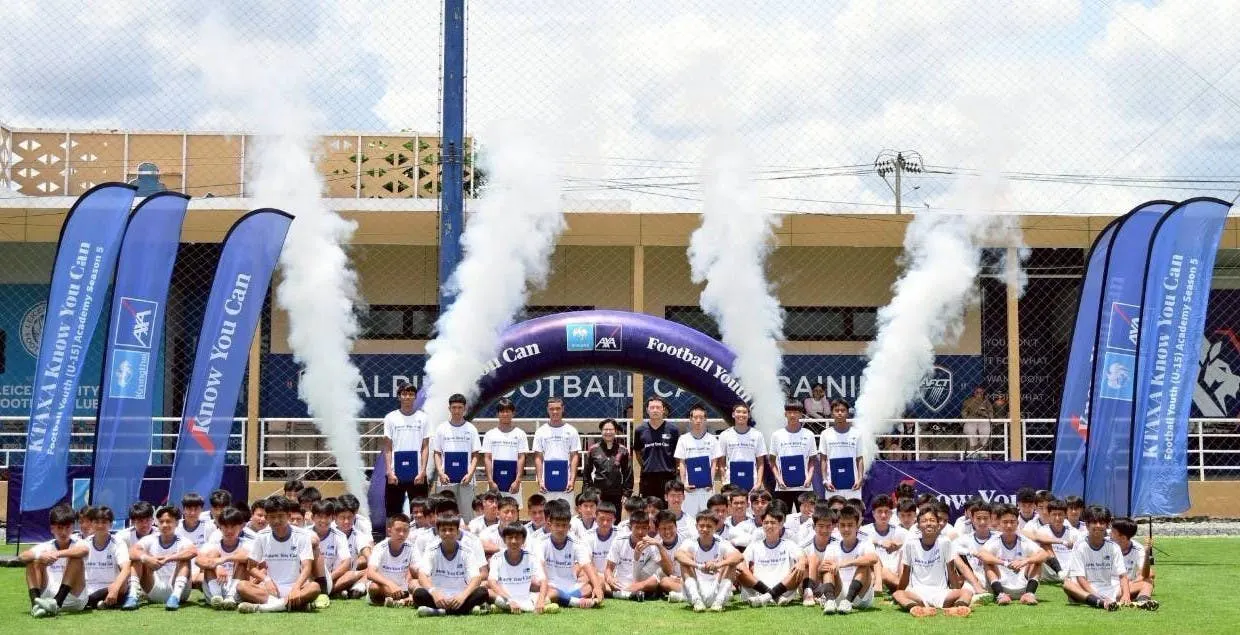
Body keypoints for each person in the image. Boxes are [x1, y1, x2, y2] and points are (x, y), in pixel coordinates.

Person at [237, 496, 320, 613]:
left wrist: (296, 587)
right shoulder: (261, 536)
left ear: (288, 516)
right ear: (267, 518)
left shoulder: (302, 535)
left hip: (295, 587)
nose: (276, 521)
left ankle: (265, 608)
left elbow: (307, 567)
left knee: (314, 587)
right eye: (272, 517)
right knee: (241, 586)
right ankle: (289, 605)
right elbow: (251, 567)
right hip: (270, 589)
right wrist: (266, 580)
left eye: (280, 516)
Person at [892, 505, 974, 617]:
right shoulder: (910, 544)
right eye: (924, 521)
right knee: (898, 594)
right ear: (918, 525)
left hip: (941, 593)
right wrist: (899, 594)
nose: (929, 523)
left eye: (932, 520)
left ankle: (958, 607)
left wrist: (957, 593)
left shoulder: (945, 542)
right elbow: (906, 573)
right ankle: (916, 608)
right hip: (917, 594)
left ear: (938, 525)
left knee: (967, 592)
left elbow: (951, 571)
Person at [413, 514, 489, 616]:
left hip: (460, 596)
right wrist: (434, 593)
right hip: (439, 597)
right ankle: (464, 610)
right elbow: (422, 575)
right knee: (418, 594)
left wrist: (463, 596)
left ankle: (439, 612)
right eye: (443, 530)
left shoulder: (467, 551)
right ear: (438, 532)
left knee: (482, 592)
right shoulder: (431, 550)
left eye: (451, 529)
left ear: (457, 532)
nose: (447, 533)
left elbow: (476, 578)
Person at [23, 504, 89, 617]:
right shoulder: (46, 546)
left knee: (76, 558)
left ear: (73, 527)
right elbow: (22, 556)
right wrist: (40, 556)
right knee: (32, 560)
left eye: (67, 527)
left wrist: (56, 554)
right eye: (59, 527)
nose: (64, 532)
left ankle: (57, 602)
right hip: (47, 597)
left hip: (75, 599)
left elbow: (84, 550)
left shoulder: (80, 543)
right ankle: (36, 605)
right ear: (52, 528)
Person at [978, 504, 1048, 606]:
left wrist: (1025, 561)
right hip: (1002, 586)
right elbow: (982, 554)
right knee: (988, 562)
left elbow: (1044, 554)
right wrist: (1005, 563)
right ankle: (1000, 595)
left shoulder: (1023, 540)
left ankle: (1029, 594)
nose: (1009, 526)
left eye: (1012, 522)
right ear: (999, 523)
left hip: (1023, 587)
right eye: (1005, 522)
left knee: (1037, 561)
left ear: (1017, 523)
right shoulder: (994, 540)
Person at [537, 502, 603, 609]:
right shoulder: (541, 543)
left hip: (571, 586)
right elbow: (540, 569)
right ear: (549, 525)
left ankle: (559, 598)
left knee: (596, 583)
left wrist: (597, 587)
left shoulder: (576, 543)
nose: (560, 529)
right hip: (550, 586)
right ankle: (576, 602)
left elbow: (587, 565)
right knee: (538, 585)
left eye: (564, 525)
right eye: (557, 525)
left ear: (569, 527)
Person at [1063, 505, 1129, 611]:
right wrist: (1098, 596)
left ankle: (1143, 599)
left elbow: (1122, 576)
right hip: (1086, 590)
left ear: (1107, 525)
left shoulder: (1114, 547)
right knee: (1068, 585)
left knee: (1145, 584)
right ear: (1087, 525)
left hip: (1109, 589)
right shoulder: (1079, 546)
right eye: (1094, 522)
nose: (1098, 526)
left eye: (1102, 523)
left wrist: (1126, 595)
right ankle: (1099, 602)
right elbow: (1080, 578)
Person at [737, 508, 805, 607]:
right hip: (759, 590)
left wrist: (801, 562)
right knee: (739, 568)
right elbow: (741, 561)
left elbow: (802, 556)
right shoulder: (754, 545)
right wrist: (741, 565)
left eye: (773, 523)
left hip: (784, 590)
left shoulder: (789, 544)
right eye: (766, 523)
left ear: (780, 525)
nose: (769, 526)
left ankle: (768, 596)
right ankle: (773, 596)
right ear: (762, 524)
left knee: (799, 567)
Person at [675, 511, 742, 612]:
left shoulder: (721, 542)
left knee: (731, 562)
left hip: (717, 590)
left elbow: (739, 556)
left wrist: (717, 565)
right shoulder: (690, 541)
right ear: (696, 526)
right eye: (701, 526)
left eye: (709, 526)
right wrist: (699, 566)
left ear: (715, 527)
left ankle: (718, 602)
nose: (705, 529)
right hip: (696, 590)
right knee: (685, 561)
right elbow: (677, 555)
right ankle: (697, 601)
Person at [383, 382, 432, 520]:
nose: (407, 397)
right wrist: (389, 471)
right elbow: (388, 447)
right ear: (399, 396)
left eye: (411, 394)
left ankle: (419, 533)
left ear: (415, 397)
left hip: (417, 474)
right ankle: (392, 534)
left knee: (421, 512)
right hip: (395, 474)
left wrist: (423, 471)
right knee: (393, 513)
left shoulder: (423, 418)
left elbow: (425, 446)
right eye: (404, 394)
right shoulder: (390, 417)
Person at [819, 505, 877, 614]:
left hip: (861, 596)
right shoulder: (832, 546)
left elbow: (873, 559)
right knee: (828, 567)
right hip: (839, 592)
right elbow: (824, 570)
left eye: (850, 525)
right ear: (838, 526)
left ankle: (848, 601)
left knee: (864, 564)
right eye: (842, 525)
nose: (846, 529)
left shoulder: (865, 543)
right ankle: (830, 601)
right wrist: (821, 569)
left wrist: (843, 563)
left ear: (857, 526)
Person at [432, 393, 482, 521]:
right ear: (449, 409)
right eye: (454, 407)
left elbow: (476, 455)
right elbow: (437, 453)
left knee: (468, 513)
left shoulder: (471, 429)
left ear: (465, 409)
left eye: (460, 408)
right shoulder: (441, 428)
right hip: (445, 479)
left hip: (467, 479)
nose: (457, 411)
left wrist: (470, 474)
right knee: (445, 512)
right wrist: (441, 473)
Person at [605, 509, 667, 602]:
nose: (640, 532)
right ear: (631, 527)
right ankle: (630, 594)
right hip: (619, 584)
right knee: (600, 579)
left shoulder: (652, 545)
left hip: (640, 584)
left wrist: (659, 546)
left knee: (654, 581)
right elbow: (608, 568)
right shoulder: (619, 540)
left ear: (648, 528)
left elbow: (663, 570)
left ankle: (621, 594)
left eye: (644, 528)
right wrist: (610, 578)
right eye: (637, 527)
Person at [196, 506, 250, 610]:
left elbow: (247, 557)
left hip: (236, 589)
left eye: (233, 526)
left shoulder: (246, 544)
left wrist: (224, 559)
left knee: (241, 558)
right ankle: (217, 597)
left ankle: (231, 597)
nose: (229, 530)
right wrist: (217, 566)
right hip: (215, 587)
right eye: (225, 526)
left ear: (241, 526)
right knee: (212, 555)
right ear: (220, 526)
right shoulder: (212, 544)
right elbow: (198, 560)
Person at [769, 400, 817, 511]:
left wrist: (809, 478)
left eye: (795, 412)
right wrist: (779, 479)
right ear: (785, 414)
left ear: (801, 414)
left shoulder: (809, 434)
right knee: (781, 517)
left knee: (807, 516)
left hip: (804, 486)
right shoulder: (777, 435)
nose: (792, 415)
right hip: (783, 487)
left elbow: (812, 460)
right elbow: (772, 460)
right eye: (789, 412)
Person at [488, 522, 546, 614]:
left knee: (552, 592)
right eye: (510, 537)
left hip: (526, 598)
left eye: (517, 538)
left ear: (523, 540)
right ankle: (520, 607)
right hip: (505, 599)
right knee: (487, 592)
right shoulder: (496, 558)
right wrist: (509, 600)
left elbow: (543, 580)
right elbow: (492, 582)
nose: (513, 541)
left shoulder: (532, 557)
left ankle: (503, 607)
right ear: (504, 540)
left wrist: (541, 600)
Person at [674, 403, 720, 518]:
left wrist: (711, 481)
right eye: (695, 417)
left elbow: (714, 463)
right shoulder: (683, 439)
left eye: (701, 417)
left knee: (708, 518)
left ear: (705, 419)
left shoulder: (712, 439)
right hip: (690, 488)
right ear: (690, 419)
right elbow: (682, 463)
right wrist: (684, 483)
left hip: (707, 488)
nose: (698, 421)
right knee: (689, 519)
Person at [533, 397, 582, 507]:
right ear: (547, 410)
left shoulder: (572, 431)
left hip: (566, 482)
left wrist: (572, 480)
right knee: (546, 512)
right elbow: (538, 457)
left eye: (558, 408)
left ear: (563, 409)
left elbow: (574, 456)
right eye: (552, 409)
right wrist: (540, 480)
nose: (555, 412)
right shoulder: (540, 431)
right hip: (546, 482)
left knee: (566, 512)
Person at [366, 512, 418, 607]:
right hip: (384, 587)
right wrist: (390, 584)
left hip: (402, 589)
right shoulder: (380, 547)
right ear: (389, 531)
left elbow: (419, 571)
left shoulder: (412, 548)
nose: (402, 534)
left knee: (416, 583)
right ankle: (400, 601)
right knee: (374, 587)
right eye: (398, 530)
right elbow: (370, 573)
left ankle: (399, 600)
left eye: (405, 530)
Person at [633, 397, 680, 499]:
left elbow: (678, 453)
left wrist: (674, 469)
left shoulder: (673, 430)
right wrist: (645, 465)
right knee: (649, 506)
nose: (655, 410)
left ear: (663, 410)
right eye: (652, 407)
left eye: (658, 407)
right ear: (647, 410)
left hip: (668, 476)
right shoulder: (640, 430)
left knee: (667, 506)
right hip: (648, 476)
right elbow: (637, 452)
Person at [483, 397, 529, 500]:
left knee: (513, 508)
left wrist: (517, 481)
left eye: (508, 411)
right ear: (497, 414)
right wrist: (490, 481)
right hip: (494, 484)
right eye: (502, 411)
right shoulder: (490, 434)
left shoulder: (520, 434)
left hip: (513, 484)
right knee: (494, 508)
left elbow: (521, 458)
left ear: (513, 413)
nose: (505, 414)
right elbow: (487, 458)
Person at [583, 418, 633, 512]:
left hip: (616, 494)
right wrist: (588, 492)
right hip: (598, 494)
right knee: (599, 518)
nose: (608, 432)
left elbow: (628, 473)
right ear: (601, 431)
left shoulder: (623, 450)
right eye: (605, 429)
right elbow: (586, 473)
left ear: (615, 431)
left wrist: (626, 493)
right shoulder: (593, 449)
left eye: (611, 429)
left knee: (615, 518)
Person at [860, 494, 906, 594]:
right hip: (874, 572)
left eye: (886, 511)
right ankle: (903, 589)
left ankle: (900, 587)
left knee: (905, 551)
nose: (883, 515)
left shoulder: (901, 532)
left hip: (895, 573)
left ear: (891, 513)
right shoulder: (864, 531)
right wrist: (880, 542)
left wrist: (900, 545)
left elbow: (915, 542)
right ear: (873, 513)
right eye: (880, 511)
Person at [716, 404, 767, 493]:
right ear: (733, 414)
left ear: (749, 415)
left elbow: (760, 462)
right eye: (738, 412)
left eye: (744, 412)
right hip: (731, 482)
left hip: (752, 482)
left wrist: (758, 483)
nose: (741, 415)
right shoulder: (725, 435)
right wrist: (724, 481)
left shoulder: (757, 435)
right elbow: (721, 462)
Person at [819, 399, 864, 500]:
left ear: (847, 413)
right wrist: (825, 480)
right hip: (832, 484)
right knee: (834, 510)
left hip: (853, 484)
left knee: (853, 510)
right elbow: (823, 459)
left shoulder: (857, 434)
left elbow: (859, 458)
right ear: (832, 413)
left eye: (843, 410)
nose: (839, 413)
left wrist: (860, 479)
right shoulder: (825, 434)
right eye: (836, 410)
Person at [1111, 517, 1158, 611]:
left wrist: (1147, 554)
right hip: (1106, 587)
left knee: (1149, 581)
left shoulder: (1138, 549)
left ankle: (1142, 602)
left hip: (1126, 587)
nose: (1109, 533)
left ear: (1123, 538)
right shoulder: (1106, 545)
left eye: (1112, 532)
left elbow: (1149, 573)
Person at [960, 386, 994, 458]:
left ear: (983, 393)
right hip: (971, 419)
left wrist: (985, 414)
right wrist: (967, 418)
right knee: (970, 430)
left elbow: (991, 413)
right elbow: (964, 412)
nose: (979, 394)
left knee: (985, 431)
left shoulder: (986, 402)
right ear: (974, 393)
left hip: (983, 420)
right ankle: (973, 449)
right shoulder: (968, 401)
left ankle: (981, 449)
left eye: (981, 392)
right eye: (977, 392)